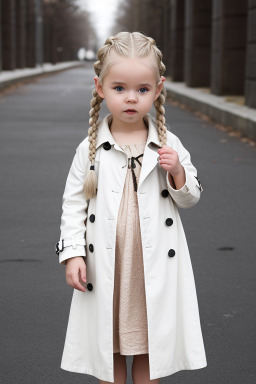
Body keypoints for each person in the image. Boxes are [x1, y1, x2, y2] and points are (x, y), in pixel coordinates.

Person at [55, 31, 207, 384]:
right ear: (100, 87)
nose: (130, 99)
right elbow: (73, 205)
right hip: (108, 262)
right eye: (119, 88)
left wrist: (179, 172)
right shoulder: (90, 149)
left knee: (150, 344)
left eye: (142, 90)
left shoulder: (169, 144)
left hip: (150, 265)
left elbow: (191, 198)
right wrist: (73, 254)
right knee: (108, 347)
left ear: (158, 89)